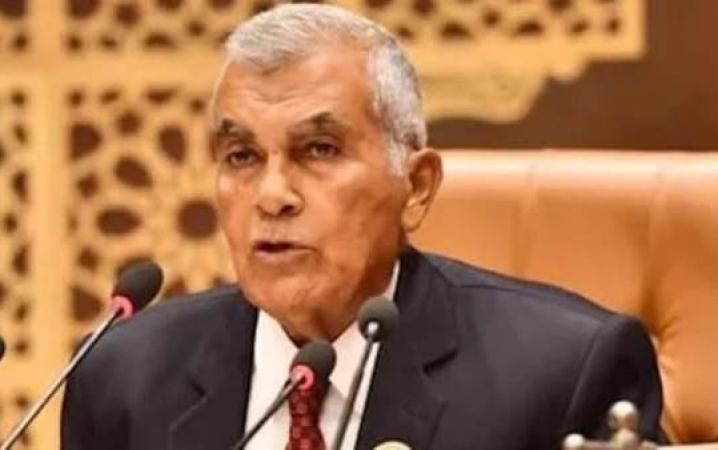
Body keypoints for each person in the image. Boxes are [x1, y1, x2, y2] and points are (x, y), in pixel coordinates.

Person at [61, 4, 663, 450]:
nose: (272, 196)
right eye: (241, 156)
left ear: (416, 187)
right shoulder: (122, 377)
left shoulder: (565, 374)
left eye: (319, 150)